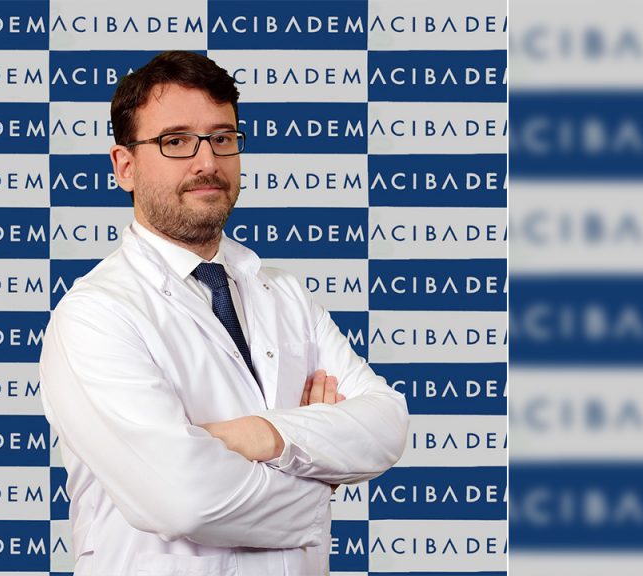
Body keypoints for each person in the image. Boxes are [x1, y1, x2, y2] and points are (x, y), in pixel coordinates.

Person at [39, 51, 409, 576]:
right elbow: (183, 499)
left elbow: (387, 424)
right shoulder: (95, 315)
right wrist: (319, 476)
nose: (207, 162)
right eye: (175, 141)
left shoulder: (284, 294)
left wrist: (261, 434)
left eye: (223, 138)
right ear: (125, 166)